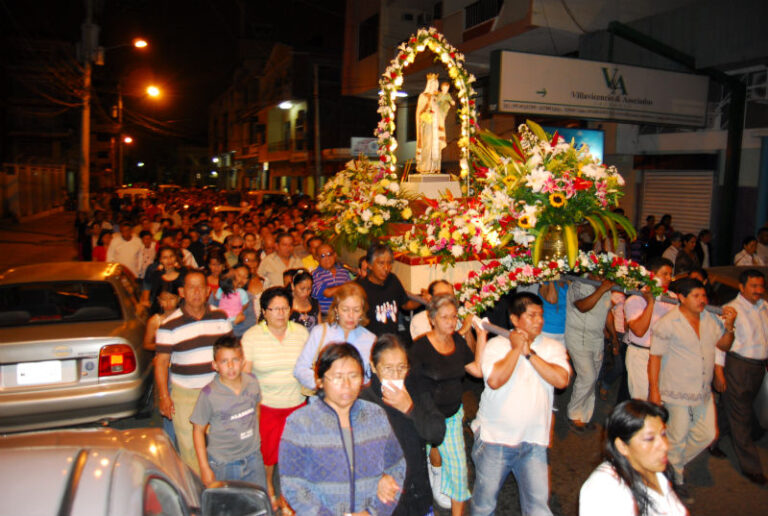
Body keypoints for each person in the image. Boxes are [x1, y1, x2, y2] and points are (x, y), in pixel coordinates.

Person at [470, 292, 571, 516]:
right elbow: (495, 381)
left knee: (538, 508)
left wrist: (529, 354)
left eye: (541, 315)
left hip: (534, 442)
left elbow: (561, 380)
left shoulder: (552, 347)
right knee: (484, 505)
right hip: (495, 440)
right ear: (515, 319)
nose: (539, 320)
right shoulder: (497, 345)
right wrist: (516, 349)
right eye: (532, 315)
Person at [280, 343, 406, 515]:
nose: (347, 384)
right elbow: (293, 484)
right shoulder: (300, 423)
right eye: (337, 377)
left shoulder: (375, 416)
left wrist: (372, 512)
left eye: (354, 376)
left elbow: (397, 466)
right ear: (320, 380)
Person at [648, 278, 737, 502]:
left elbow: (724, 345)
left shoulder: (710, 319)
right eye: (696, 296)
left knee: (708, 434)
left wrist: (729, 328)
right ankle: (676, 480)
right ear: (681, 297)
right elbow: (655, 358)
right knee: (677, 437)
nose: (702, 300)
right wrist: (654, 391)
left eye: (704, 296)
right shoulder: (668, 323)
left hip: (702, 389)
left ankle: (666, 464)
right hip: (676, 389)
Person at [410, 294, 485, 515]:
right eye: (445, 317)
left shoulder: (458, 342)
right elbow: (410, 384)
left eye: (454, 317)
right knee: (417, 467)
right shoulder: (420, 348)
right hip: (425, 418)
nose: (451, 322)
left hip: (451, 417)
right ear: (431, 318)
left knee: (459, 471)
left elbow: (477, 370)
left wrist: (481, 336)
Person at [154, 271, 233, 473]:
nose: (196, 292)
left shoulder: (220, 317)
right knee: (189, 447)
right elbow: (161, 363)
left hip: (217, 392)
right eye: (191, 287)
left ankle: (221, 486)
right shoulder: (168, 325)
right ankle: (199, 492)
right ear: (182, 292)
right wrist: (164, 396)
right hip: (185, 394)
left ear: (208, 291)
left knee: (221, 442)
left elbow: (231, 354)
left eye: (200, 287)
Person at [360, 334, 446, 516]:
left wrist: (410, 408)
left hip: (419, 493)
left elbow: (436, 434)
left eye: (401, 368)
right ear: (374, 367)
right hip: (385, 499)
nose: (396, 375)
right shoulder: (364, 401)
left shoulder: (415, 390)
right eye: (388, 369)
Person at [241, 286, 309, 513]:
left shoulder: (300, 333)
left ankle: (289, 495)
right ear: (264, 311)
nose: (281, 313)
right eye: (275, 309)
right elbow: (246, 375)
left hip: (297, 404)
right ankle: (269, 488)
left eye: (285, 308)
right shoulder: (252, 336)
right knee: (268, 455)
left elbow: (309, 366)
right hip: (267, 406)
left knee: (295, 454)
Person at [579, 400, 687, 516]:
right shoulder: (604, 490)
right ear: (622, 446)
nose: (665, 446)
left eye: (663, 434)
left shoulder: (653, 468)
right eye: (650, 439)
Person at [710, 269, 768, 485]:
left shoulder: (764, 307)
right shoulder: (732, 309)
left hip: (758, 367)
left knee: (731, 408)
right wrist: (719, 373)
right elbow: (720, 343)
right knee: (742, 415)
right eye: (753, 286)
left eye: (761, 286)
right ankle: (752, 467)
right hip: (737, 366)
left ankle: (711, 440)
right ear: (742, 287)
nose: (758, 290)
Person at [191, 336, 266, 488]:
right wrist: (205, 468)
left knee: (258, 503)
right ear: (215, 365)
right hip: (224, 463)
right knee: (228, 506)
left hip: (253, 456)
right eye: (224, 361)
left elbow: (256, 408)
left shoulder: (252, 381)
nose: (231, 366)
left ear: (243, 361)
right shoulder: (209, 394)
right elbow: (198, 430)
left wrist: (255, 437)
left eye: (235, 360)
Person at [294, 282, 377, 391]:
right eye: (345, 309)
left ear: (362, 311)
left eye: (356, 310)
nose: (351, 316)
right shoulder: (320, 332)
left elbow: (370, 377)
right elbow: (300, 368)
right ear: (336, 309)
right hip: (323, 398)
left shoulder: (370, 339)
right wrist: (324, 386)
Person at [565, 275, 614, 432]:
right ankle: (573, 414)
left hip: (597, 339)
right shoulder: (579, 285)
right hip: (578, 336)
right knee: (588, 376)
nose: (601, 276)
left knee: (593, 379)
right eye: (599, 272)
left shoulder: (605, 288)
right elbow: (583, 306)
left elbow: (608, 313)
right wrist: (602, 288)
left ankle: (584, 416)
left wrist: (613, 336)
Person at [624, 258, 675, 400]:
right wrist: (650, 303)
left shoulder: (672, 298)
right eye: (664, 274)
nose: (668, 278)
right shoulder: (634, 299)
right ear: (652, 275)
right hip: (641, 353)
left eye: (670, 274)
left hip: (664, 354)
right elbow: (639, 331)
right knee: (642, 399)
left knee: (661, 398)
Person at [357, 243, 421, 337]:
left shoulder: (392, 280)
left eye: (389, 263)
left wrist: (422, 299)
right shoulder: (360, 289)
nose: (386, 268)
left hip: (392, 340)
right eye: (381, 263)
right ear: (369, 265)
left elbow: (406, 304)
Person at [415, 73, 443, 174]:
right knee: (427, 145)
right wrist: (428, 105)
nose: (435, 86)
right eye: (433, 83)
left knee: (436, 146)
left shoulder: (438, 97)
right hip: (427, 125)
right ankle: (425, 167)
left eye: (436, 84)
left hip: (436, 125)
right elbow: (419, 111)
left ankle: (435, 167)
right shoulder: (423, 96)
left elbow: (442, 110)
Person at [311, 244, 352, 313]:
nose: (327, 258)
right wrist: (346, 286)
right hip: (325, 315)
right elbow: (327, 293)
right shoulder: (315, 274)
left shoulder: (343, 271)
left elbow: (350, 291)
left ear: (335, 255)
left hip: (344, 313)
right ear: (317, 258)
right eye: (323, 256)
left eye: (329, 254)